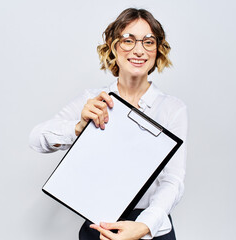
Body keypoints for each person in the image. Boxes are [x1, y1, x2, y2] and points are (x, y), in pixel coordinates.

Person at [29, 8, 187, 240]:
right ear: (112, 47)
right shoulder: (94, 99)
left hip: (151, 229)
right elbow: (36, 139)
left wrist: (143, 226)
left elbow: (173, 180)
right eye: (128, 40)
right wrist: (78, 128)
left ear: (158, 50)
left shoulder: (172, 109)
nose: (139, 50)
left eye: (148, 41)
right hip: (100, 226)